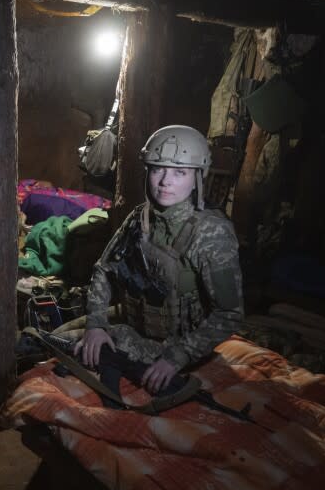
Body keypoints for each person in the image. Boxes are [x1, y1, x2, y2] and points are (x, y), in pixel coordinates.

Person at [72, 125, 244, 394]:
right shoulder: (140, 217)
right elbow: (104, 270)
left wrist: (177, 357)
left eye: (180, 172)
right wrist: (95, 323)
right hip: (134, 328)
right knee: (61, 342)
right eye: (157, 169)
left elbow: (229, 314)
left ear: (198, 177)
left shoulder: (211, 232)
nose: (165, 181)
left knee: (76, 352)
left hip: (180, 346)